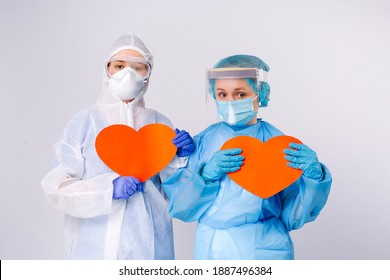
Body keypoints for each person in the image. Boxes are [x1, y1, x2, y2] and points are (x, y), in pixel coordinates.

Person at [162, 54, 332, 260]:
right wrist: (204, 177)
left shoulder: (278, 144)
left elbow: (294, 215)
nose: (230, 101)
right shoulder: (203, 141)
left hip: (264, 248)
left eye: (240, 94)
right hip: (211, 248)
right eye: (222, 94)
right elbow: (180, 207)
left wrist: (315, 179)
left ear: (260, 93)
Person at [41, 33, 195, 259]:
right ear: (107, 71)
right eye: (119, 65)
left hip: (150, 246)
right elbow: (55, 187)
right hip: (94, 248)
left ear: (148, 74)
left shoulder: (160, 124)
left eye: (138, 67)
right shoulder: (86, 122)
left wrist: (182, 159)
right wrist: (108, 188)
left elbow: (178, 193)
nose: (128, 74)